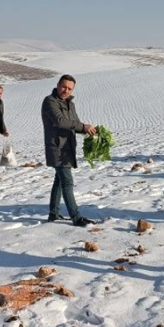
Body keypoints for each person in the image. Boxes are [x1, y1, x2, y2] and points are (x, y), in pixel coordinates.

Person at [41, 74, 98, 227]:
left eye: (69, 89)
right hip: (56, 148)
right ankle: (76, 217)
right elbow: (60, 121)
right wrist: (82, 126)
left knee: (59, 181)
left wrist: (89, 130)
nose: (66, 90)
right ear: (58, 85)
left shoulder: (70, 104)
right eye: (64, 87)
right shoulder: (49, 101)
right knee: (67, 181)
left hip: (68, 148)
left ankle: (53, 213)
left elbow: (75, 123)